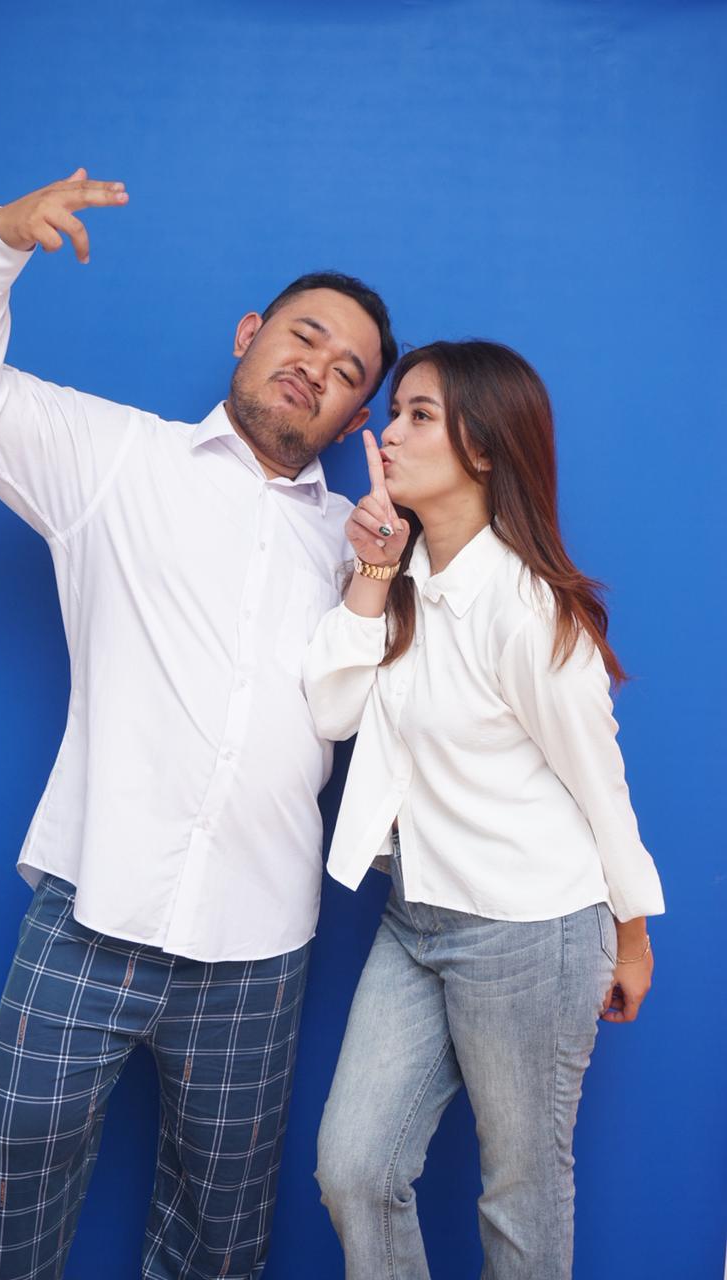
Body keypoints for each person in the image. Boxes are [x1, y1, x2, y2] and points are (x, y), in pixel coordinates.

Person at [0, 168, 396, 1280]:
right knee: (11, 1193)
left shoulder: (359, 546)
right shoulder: (113, 459)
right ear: (247, 334)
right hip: (92, 907)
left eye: (345, 374)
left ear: (353, 417)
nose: (315, 370)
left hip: (258, 949)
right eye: (303, 337)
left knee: (219, 1233)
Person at [302, 340, 666, 1280]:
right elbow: (330, 710)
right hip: (415, 917)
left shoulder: (529, 610)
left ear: (486, 448)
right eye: (395, 412)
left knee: (521, 1192)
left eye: (420, 415)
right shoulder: (404, 577)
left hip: (530, 930)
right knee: (353, 1170)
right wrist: (373, 568)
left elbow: (602, 787)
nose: (389, 433)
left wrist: (630, 938)